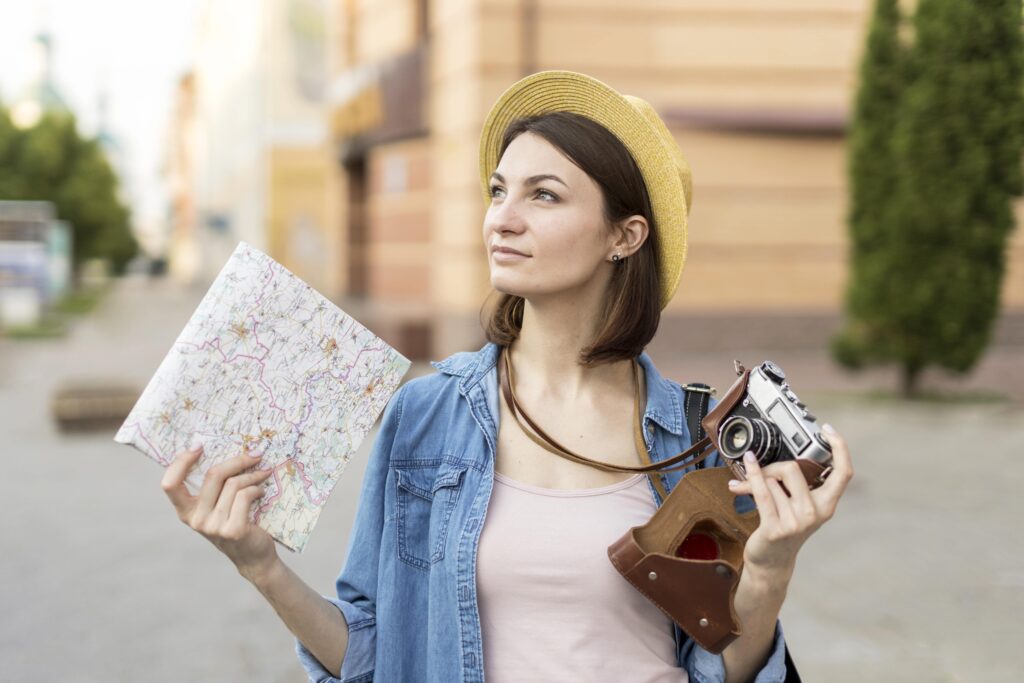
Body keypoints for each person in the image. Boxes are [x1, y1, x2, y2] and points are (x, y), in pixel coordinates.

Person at [160, 71, 853, 683]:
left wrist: (768, 573)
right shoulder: (425, 414)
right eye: (499, 190)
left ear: (625, 236)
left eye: (544, 196)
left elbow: (720, 669)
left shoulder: (690, 436)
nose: (502, 218)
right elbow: (375, 659)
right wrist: (261, 567)